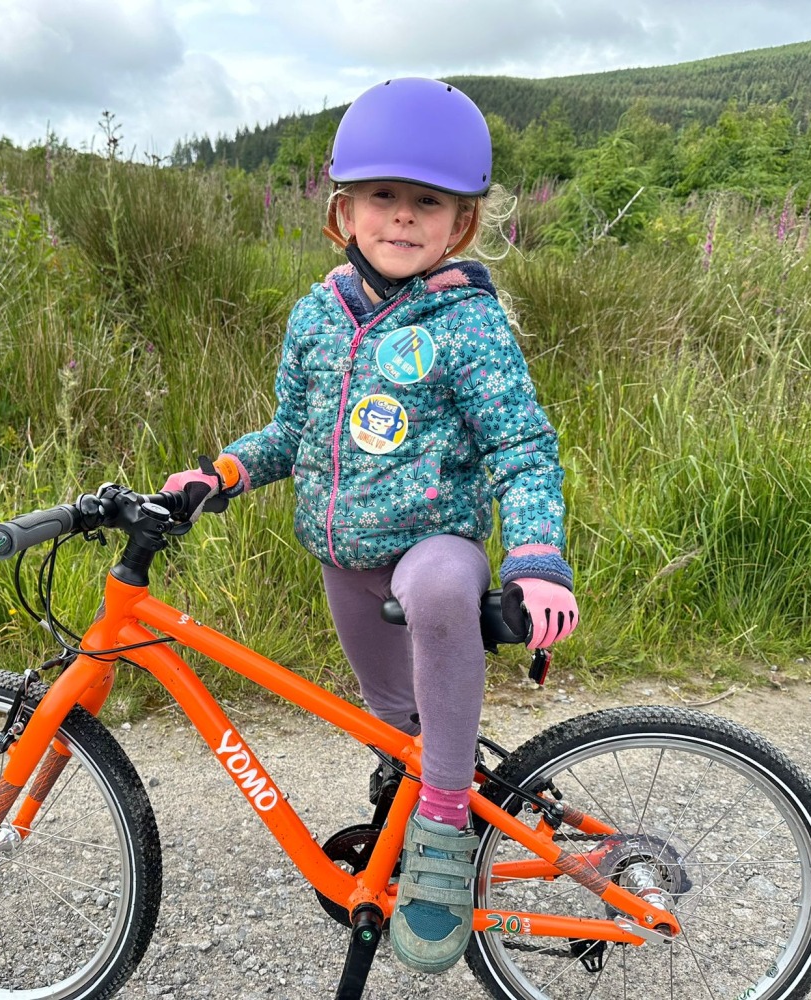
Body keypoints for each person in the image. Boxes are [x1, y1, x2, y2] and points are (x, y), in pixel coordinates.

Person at [161, 76, 578, 975]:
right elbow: (292, 433)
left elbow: (522, 448)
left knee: (434, 591)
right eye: (381, 197)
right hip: (343, 562)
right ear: (343, 211)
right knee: (396, 729)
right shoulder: (317, 316)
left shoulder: (469, 322)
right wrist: (223, 472)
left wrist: (537, 557)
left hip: (438, 547)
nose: (401, 218)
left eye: (426, 202)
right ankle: (421, 796)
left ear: (460, 225)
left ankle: (440, 833)